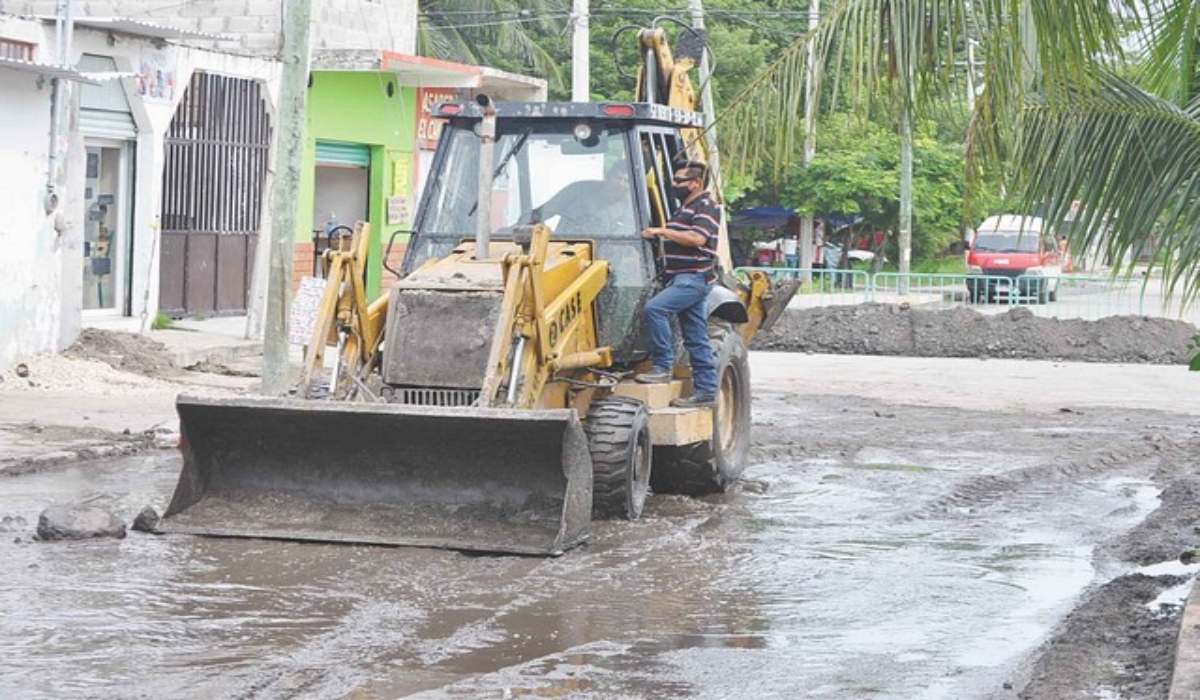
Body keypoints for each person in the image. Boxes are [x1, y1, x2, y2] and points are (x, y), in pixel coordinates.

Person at [634, 161, 720, 409]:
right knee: (696, 337)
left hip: (693, 277)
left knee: (655, 309)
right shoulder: (686, 207)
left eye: (679, 181)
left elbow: (697, 238)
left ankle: (662, 366)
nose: (674, 185)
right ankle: (706, 391)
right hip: (683, 277)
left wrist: (662, 231)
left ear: (696, 183)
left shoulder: (706, 207)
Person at [526, 160, 636, 235]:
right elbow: (547, 210)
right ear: (608, 177)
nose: (621, 184)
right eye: (618, 178)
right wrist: (522, 223)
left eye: (626, 181)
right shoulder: (579, 190)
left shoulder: (632, 207)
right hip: (566, 248)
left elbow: (626, 235)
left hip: (607, 257)